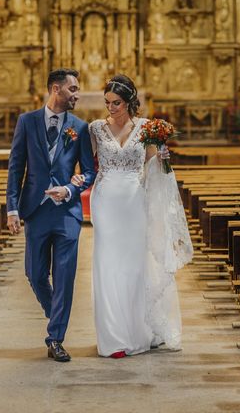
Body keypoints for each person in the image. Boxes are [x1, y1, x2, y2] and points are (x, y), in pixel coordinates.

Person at [71, 74, 193, 358]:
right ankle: (113, 337)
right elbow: (86, 166)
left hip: (134, 201)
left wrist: (162, 157)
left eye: (116, 103)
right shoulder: (95, 129)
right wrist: (73, 181)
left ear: (129, 103)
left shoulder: (146, 129)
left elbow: (153, 164)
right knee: (108, 266)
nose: (110, 108)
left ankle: (138, 331)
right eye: (107, 102)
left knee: (135, 267)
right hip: (106, 202)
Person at [6, 68, 96, 362]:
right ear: (55, 89)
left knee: (65, 276)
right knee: (34, 274)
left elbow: (89, 170)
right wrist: (12, 208)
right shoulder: (27, 122)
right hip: (35, 210)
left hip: (67, 213)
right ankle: (55, 314)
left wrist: (70, 189)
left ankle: (55, 337)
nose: (77, 95)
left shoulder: (80, 128)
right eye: (73, 89)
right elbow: (16, 167)